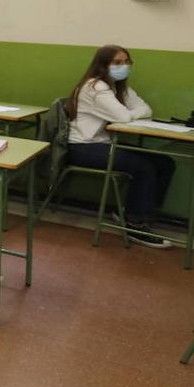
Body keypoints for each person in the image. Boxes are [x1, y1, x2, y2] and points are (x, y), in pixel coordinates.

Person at [66, 45, 176, 248]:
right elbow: (125, 116)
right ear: (102, 65)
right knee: (144, 168)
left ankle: (137, 212)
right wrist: (126, 113)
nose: (123, 66)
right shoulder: (96, 87)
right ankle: (136, 224)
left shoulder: (117, 86)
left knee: (165, 163)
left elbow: (146, 109)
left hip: (101, 144)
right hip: (83, 148)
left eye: (126, 62)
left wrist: (126, 113)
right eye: (117, 62)